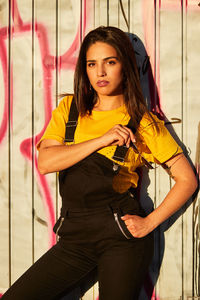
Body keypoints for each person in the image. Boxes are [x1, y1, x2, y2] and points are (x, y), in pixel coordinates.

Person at [2, 26, 197, 300]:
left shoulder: (143, 121)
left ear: (125, 67)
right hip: (74, 238)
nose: (100, 72)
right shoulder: (69, 110)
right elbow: (46, 162)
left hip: (120, 239)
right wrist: (102, 140)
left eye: (110, 62)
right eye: (92, 64)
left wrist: (149, 223)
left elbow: (187, 180)